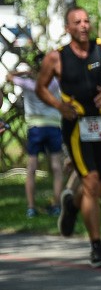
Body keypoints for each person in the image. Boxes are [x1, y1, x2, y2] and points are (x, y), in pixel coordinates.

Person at [36, 6, 101, 268]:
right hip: (76, 127)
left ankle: (72, 205)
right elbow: (40, 87)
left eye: (86, 21)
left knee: (98, 188)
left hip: (100, 125)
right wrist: (59, 106)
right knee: (90, 181)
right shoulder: (57, 57)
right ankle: (97, 247)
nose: (83, 25)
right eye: (77, 22)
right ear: (68, 28)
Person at [7, 54, 65, 218]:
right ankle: (57, 205)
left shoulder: (28, 84)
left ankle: (31, 207)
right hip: (53, 126)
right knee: (56, 167)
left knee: (31, 167)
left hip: (35, 128)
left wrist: (25, 72)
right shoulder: (54, 83)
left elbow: (9, 76)